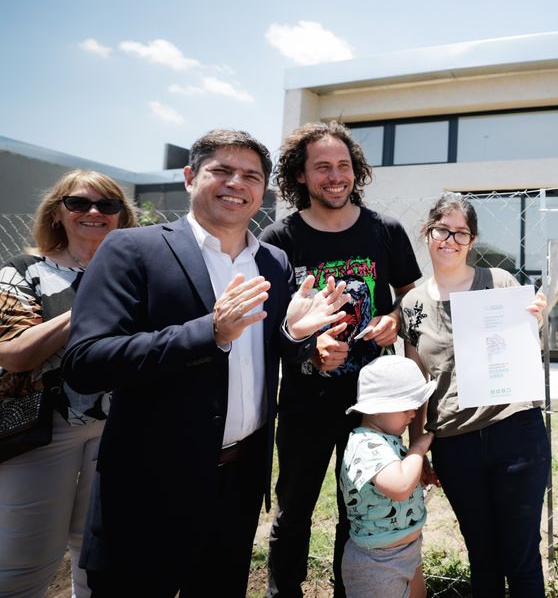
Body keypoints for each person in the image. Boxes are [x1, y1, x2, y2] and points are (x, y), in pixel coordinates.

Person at [62, 130, 348, 597]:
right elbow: (86, 361)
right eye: (222, 170)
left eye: (251, 175)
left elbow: (264, 348)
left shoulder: (272, 261)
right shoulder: (132, 249)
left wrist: (300, 341)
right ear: (191, 177)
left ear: (263, 190)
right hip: (148, 488)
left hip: (237, 482)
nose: (237, 183)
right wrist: (208, 332)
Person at [261, 121, 421, 598]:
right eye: (322, 167)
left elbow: (414, 298)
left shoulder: (385, 231)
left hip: (373, 406)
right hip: (305, 401)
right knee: (293, 513)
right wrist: (309, 349)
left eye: (343, 166)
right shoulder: (280, 237)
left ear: (357, 171)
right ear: (301, 176)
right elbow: (269, 322)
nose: (335, 176)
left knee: (361, 511)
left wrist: (395, 317)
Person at [399, 192, 548, 597]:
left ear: (472, 240)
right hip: (455, 443)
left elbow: (526, 353)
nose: (450, 240)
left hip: (515, 433)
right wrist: (419, 447)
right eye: (441, 230)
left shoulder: (498, 283)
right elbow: (418, 382)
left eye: (461, 233)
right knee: (482, 556)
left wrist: (536, 322)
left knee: (521, 556)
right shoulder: (411, 304)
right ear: (426, 233)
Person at [0, 171, 136, 598]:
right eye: (79, 203)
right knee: (24, 561)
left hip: (120, 428)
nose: (94, 212)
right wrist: (93, 300)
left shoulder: (138, 271)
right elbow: (17, 353)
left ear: (121, 216)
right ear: (58, 212)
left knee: (98, 555)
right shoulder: (23, 270)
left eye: (107, 205)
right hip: (41, 431)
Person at [339, 355, 436, 598]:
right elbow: (401, 486)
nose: (413, 414)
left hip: (407, 550)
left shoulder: (386, 440)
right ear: (378, 407)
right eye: (406, 408)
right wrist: (418, 449)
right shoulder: (365, 444)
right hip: (376, 563)